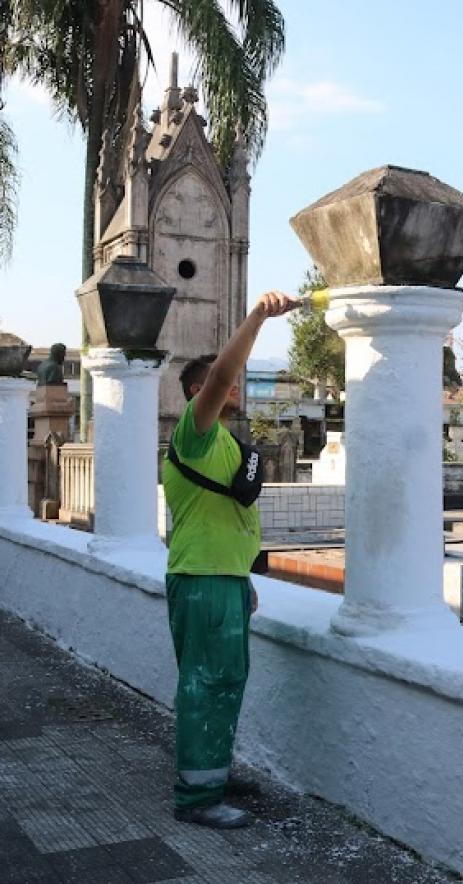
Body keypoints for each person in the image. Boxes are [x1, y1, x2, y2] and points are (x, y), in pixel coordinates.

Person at [162, 290, 294, 830]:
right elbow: (220, 377)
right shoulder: (195, 435)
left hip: (222, 578)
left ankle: (211, 772)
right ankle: (196, 799)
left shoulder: (223, 445)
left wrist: (243, 580)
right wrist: (259, 316)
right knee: (207, 682)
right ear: (200, 392)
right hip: (204, 578)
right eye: (225, 384)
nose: (234, 388)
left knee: (224, 680)